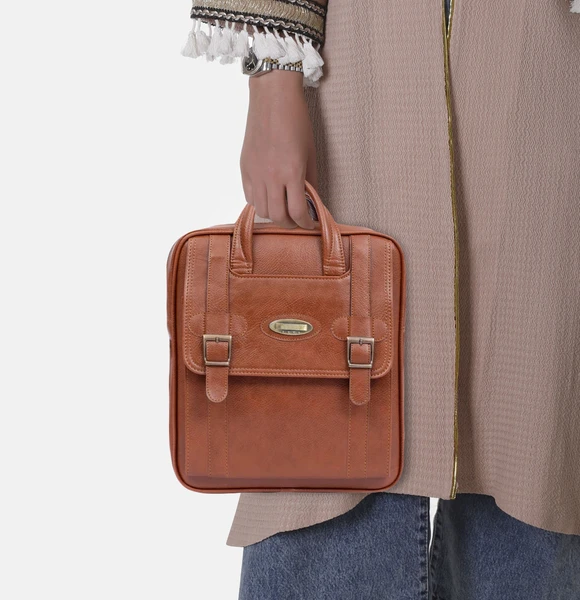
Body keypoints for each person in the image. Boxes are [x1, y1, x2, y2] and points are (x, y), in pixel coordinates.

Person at [181, 1, 580, 598]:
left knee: (535, 451)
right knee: (324, 457)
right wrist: (271, 76)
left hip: (548, 66)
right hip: (360, 57)